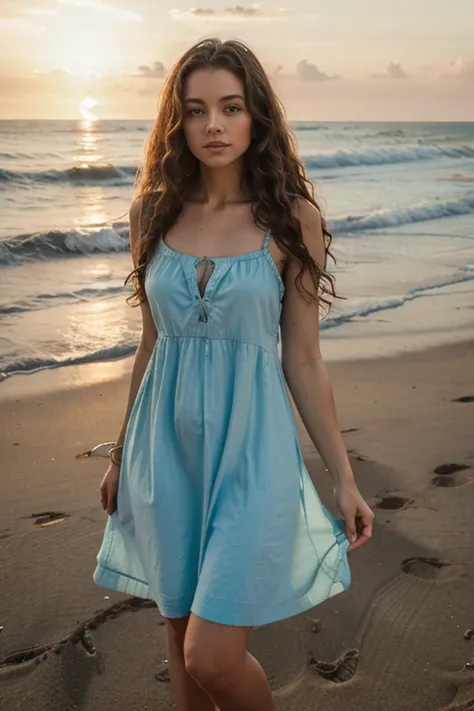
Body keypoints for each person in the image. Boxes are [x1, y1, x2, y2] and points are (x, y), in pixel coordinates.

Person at [93, 37, 374, 711]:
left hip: (254, 454)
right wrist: (120, 452)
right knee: (180, 640)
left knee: (211, 654)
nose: (213, 125)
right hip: (166, 454)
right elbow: (150, 343)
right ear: (177, 122)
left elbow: (302, 357)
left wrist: (344, 476)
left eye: (230, 107)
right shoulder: (150, 213)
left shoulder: (292, 220)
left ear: (257, 118)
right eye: (195, 111)